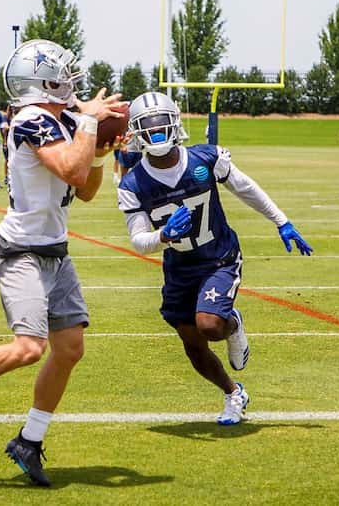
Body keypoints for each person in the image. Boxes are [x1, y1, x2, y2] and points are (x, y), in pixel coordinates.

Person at [0, 39, 125, 487]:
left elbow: (86, 188)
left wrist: (100, 148)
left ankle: (29, 441)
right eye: (63, 76)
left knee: (70, 349)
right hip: (21, 252)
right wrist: (90, 124)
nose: (72, 82)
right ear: (43, 82)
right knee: (29, 348)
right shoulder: (32, 119)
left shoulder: (62, 120)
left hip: (56, 251)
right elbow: (72, 171)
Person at [117, 91, 312, 426]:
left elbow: (246, 188)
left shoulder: (205, 160)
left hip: (217, 257)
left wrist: (282, 221)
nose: (157, 132)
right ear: (136, 132)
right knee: (192, 344)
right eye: (148, 126)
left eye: (162, 124)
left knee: (210, 325)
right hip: (179, 268)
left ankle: (231, 322)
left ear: (175, 123)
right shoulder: (132, 183)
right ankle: (233, 392)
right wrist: (163, 236)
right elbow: (138, 241)